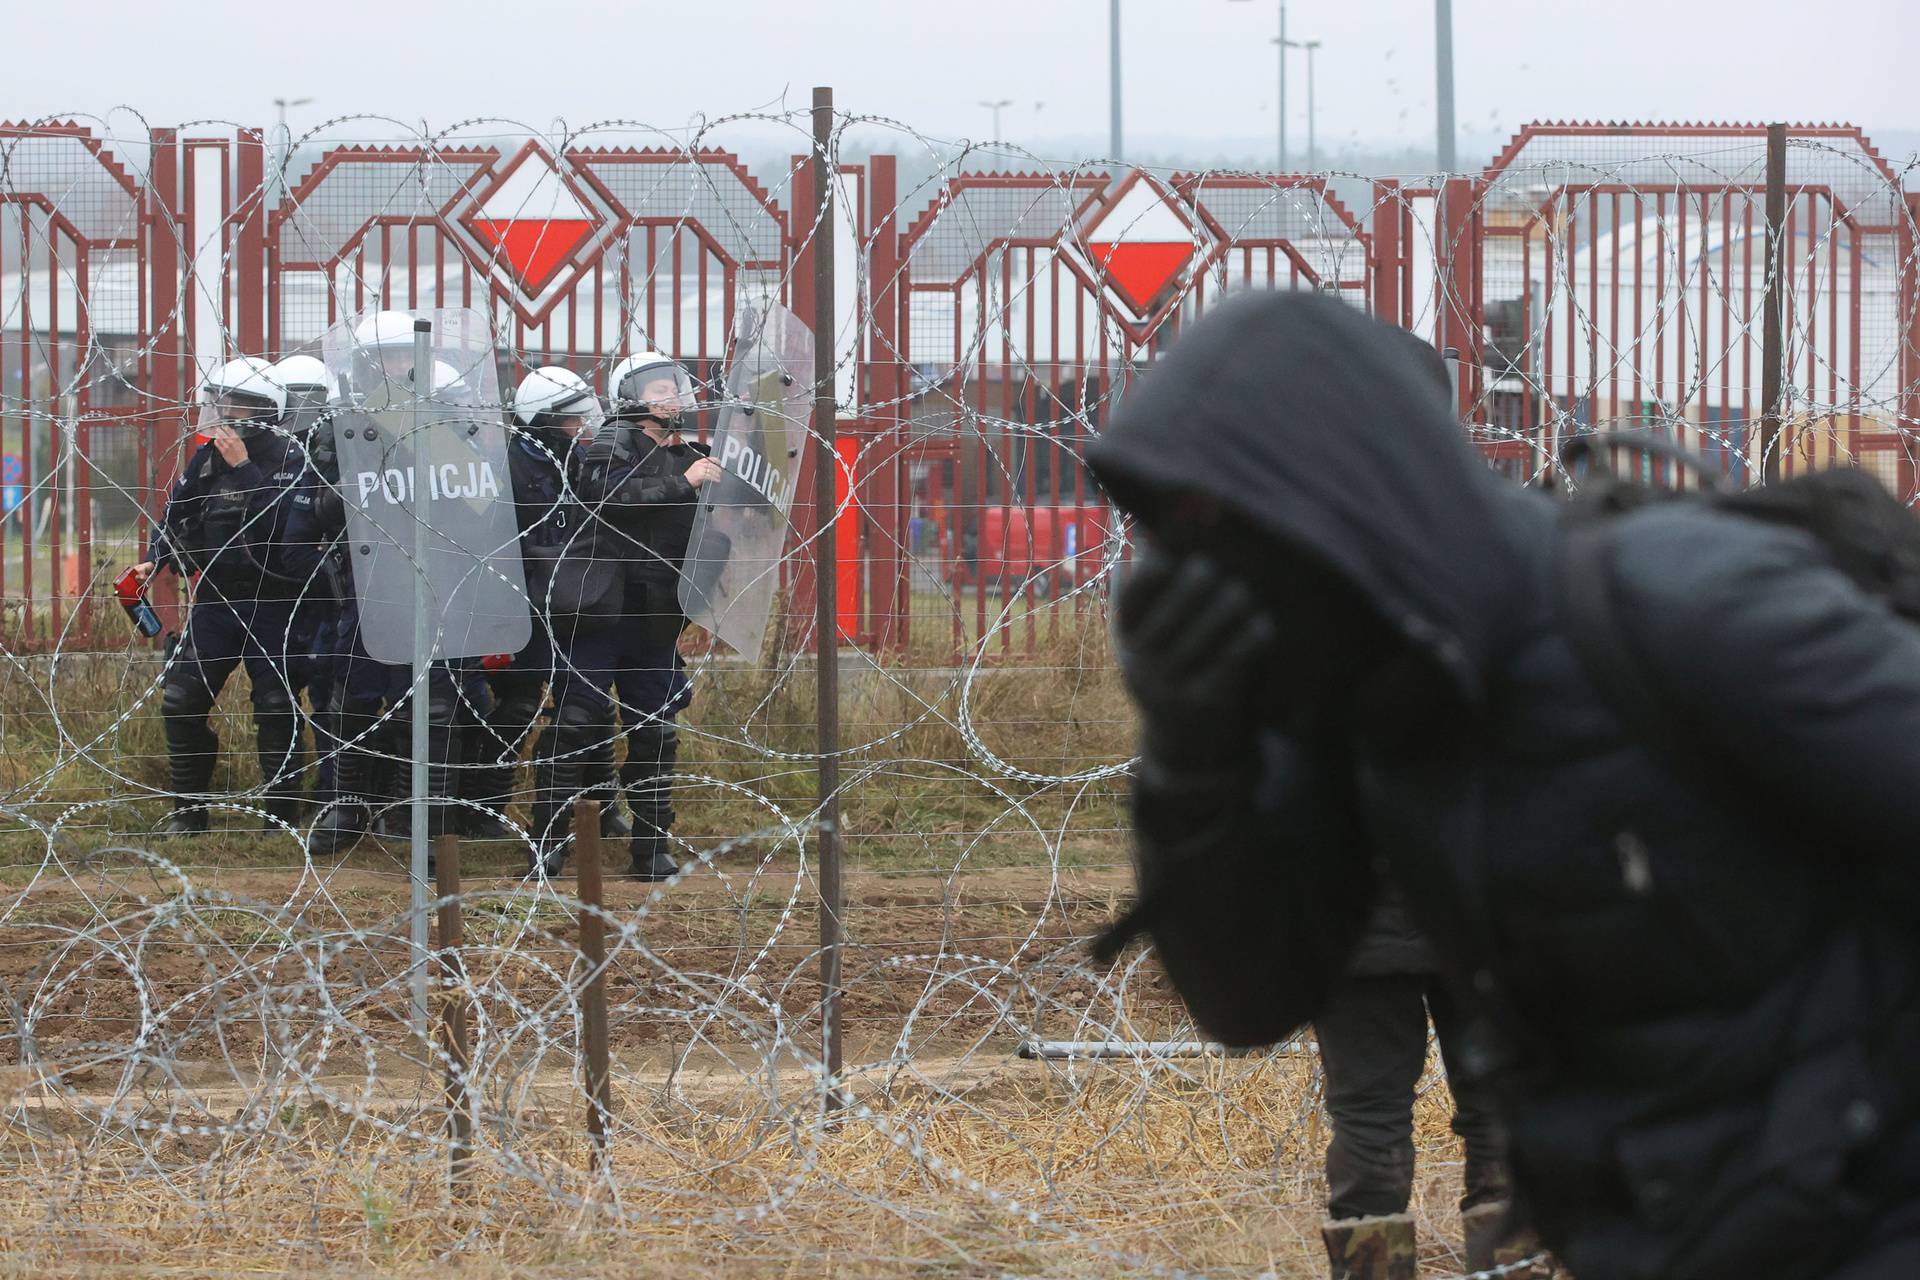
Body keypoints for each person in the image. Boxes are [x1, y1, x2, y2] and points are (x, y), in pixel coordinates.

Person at [1087, 291, 1920, 1280]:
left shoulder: (1680, 606)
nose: (1194, 573)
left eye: (1216, 526)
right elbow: (1249, 997)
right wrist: (1197, 758)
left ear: (1341, 496)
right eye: (1166, 535)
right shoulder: (1359, 702)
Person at [540, 349, 722, 880]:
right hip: (602, 613)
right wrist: (684, 482)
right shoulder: (610, 442)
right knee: (574, 726)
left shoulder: (690, 453)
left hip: (657, 616)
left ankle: (652, 847)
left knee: (656, 730)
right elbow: (605, 494)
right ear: (630, 396)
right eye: (659, 389)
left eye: (676, 387)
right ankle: (548, 844)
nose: (674, 396)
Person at [135, 356, 319, 834]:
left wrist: (243, 469)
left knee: (277, 706)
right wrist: (156, 557)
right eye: (219, 404)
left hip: (274, 602)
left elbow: (284, 530)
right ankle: (190, 812)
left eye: (234, 407)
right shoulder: (206, 458)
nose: (223, 416)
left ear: (262, 412)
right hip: (216, 601)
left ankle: (279, 818)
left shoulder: (293, 460)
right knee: (180, 699)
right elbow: (178, 513)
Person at [307, 310, 467, 856]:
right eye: (389, 357)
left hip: (436, 577)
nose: (400, 366)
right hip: (368, 578)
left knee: (434, 703)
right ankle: (347, 803)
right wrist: (360, 479)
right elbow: (319, 510)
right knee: (353, 696)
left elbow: (476, 497)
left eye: (407, 356)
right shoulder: (342, 424)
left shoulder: (447, 417)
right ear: (365, 365)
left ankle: (418, 811)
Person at [461, 365, 630, 852]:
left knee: (588, 703)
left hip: (574, 597)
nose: (584, 428)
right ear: (543, 421)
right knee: (516, 703)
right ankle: (484, 805)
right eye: (572, 421)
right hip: (522, 601)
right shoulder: (507, 463)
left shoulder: (582, 460)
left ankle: (602, 807)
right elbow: (491, 535)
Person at [271, 354, 339, 809]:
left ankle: (335, 794)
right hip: (275, 595)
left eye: (309, 400)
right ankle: (284, 797)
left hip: (328, 595)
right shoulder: (261, 452)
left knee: (332, 697)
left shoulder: (330, 453)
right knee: (278, 697)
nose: (301, 411)